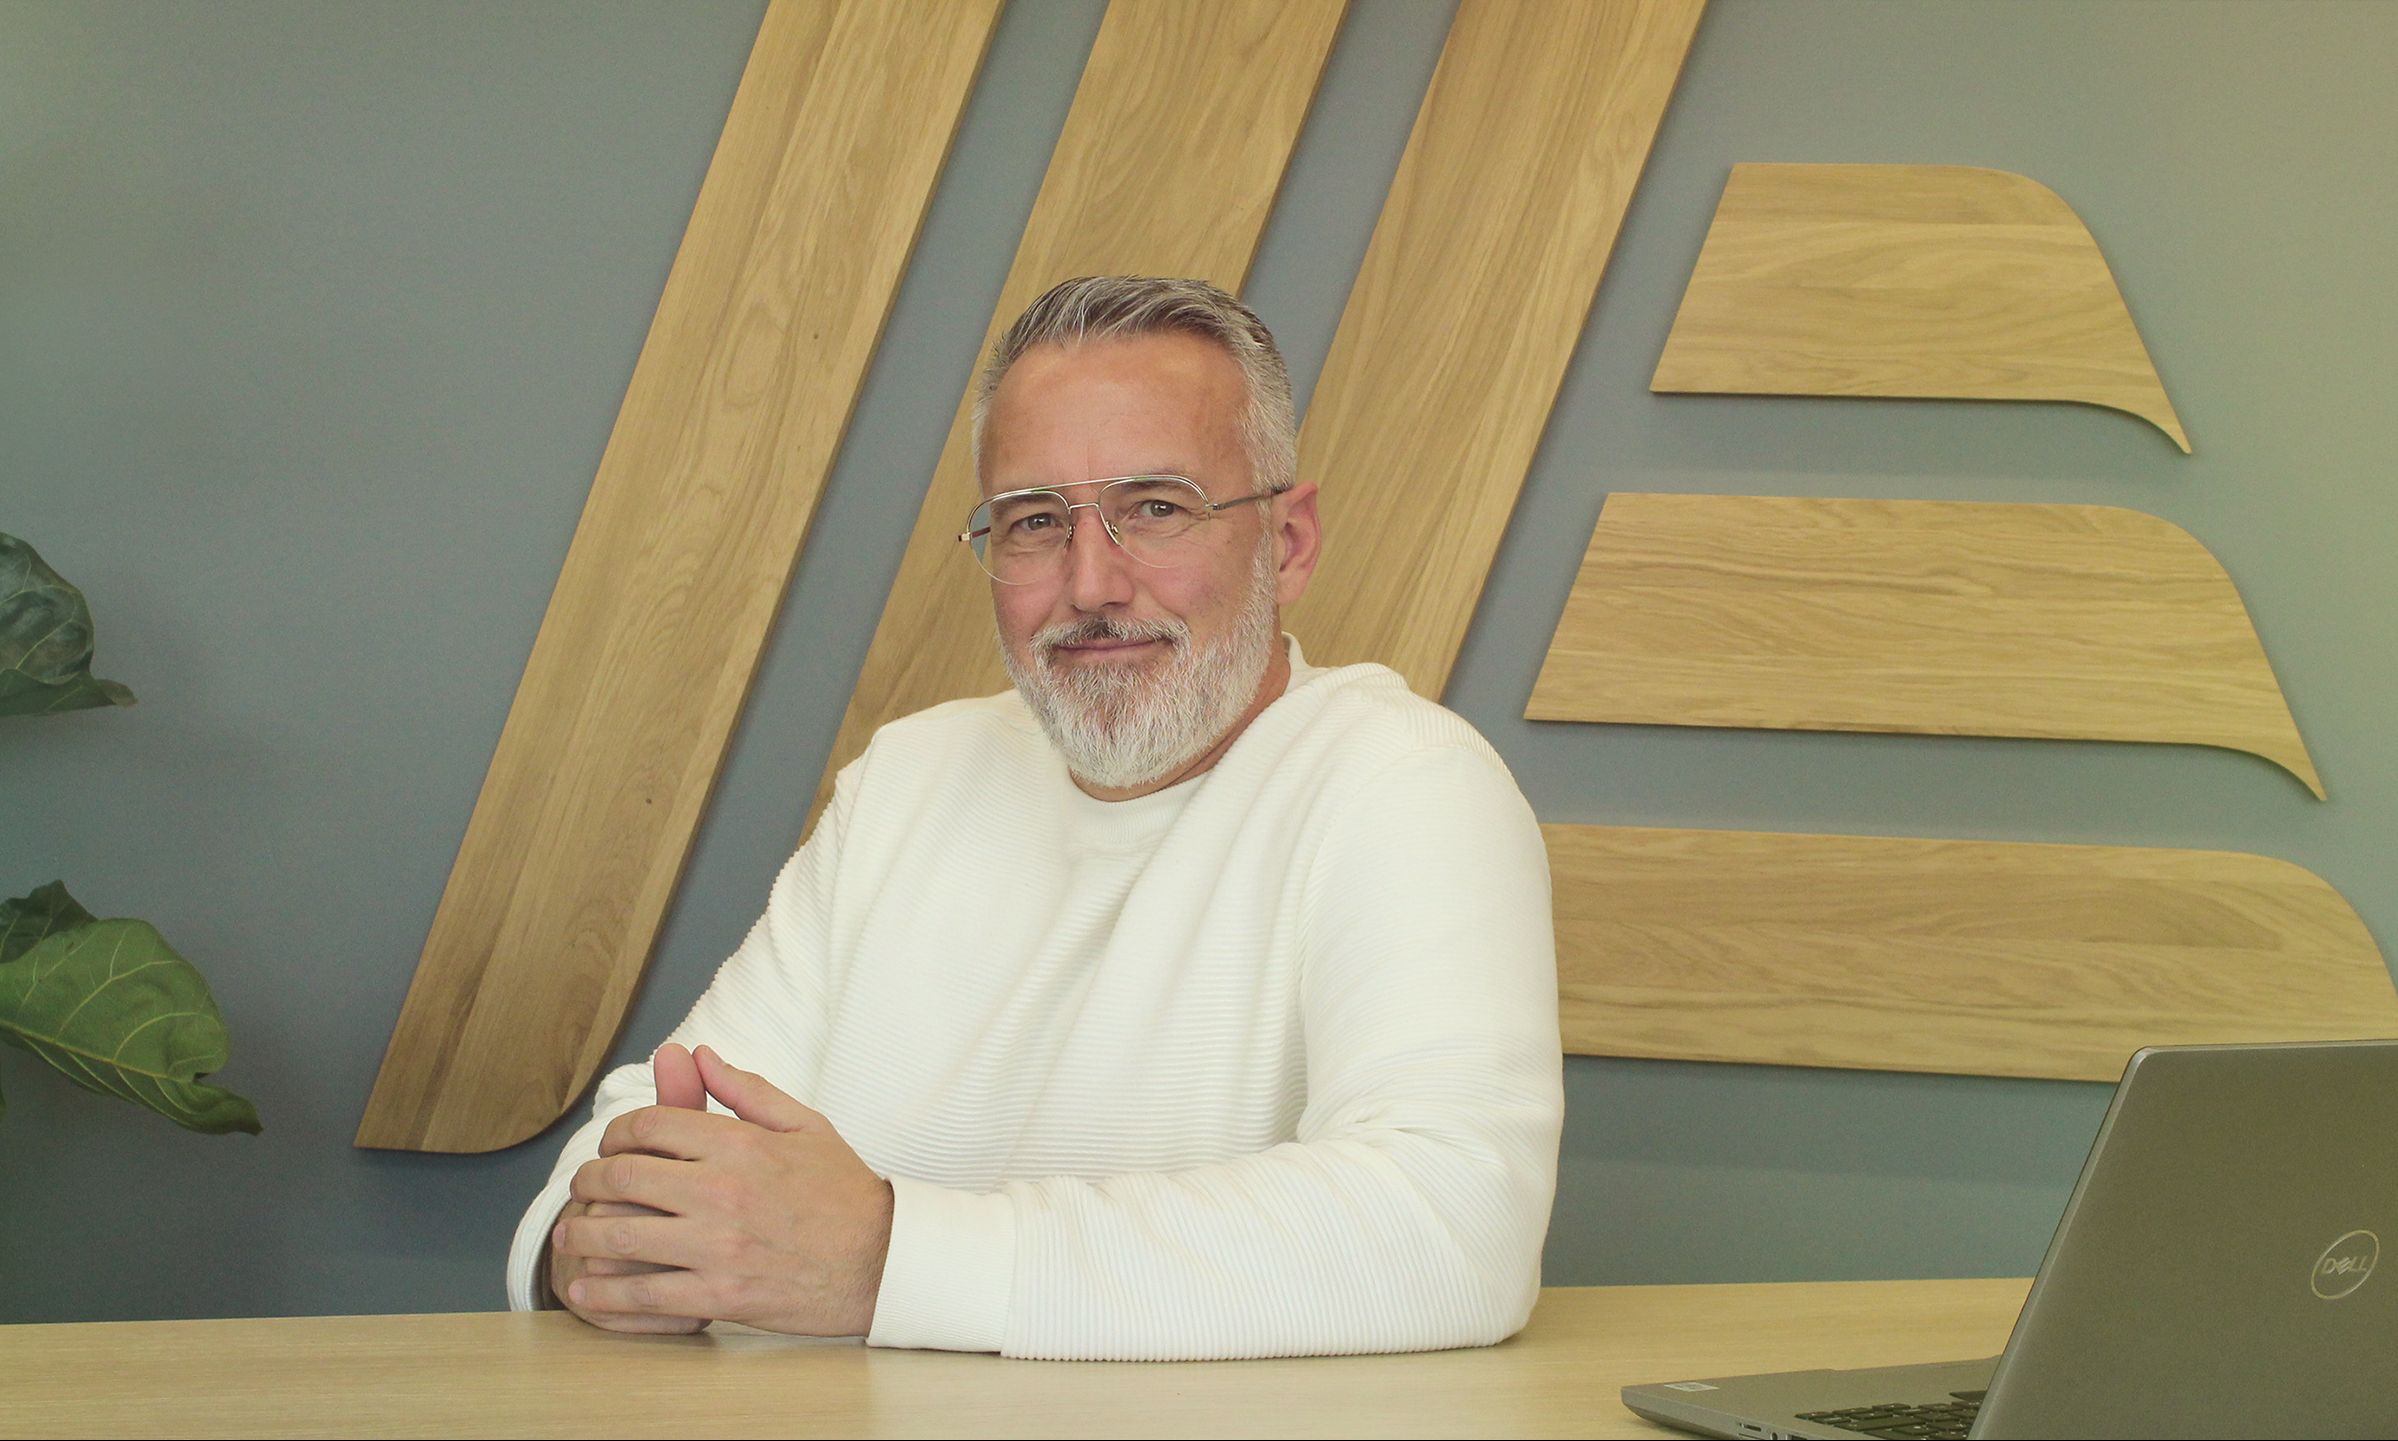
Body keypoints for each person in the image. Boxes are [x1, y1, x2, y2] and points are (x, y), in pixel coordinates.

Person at [505, 275, 1563, 1361]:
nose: (1091, 582)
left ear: (1287, 543)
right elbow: (624, 1158)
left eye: (1156, 508)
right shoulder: (910, 777)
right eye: (1035, 522)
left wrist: (882, 1259)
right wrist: (611, 1245)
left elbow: (1451, 1224)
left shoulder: (1406, 781)